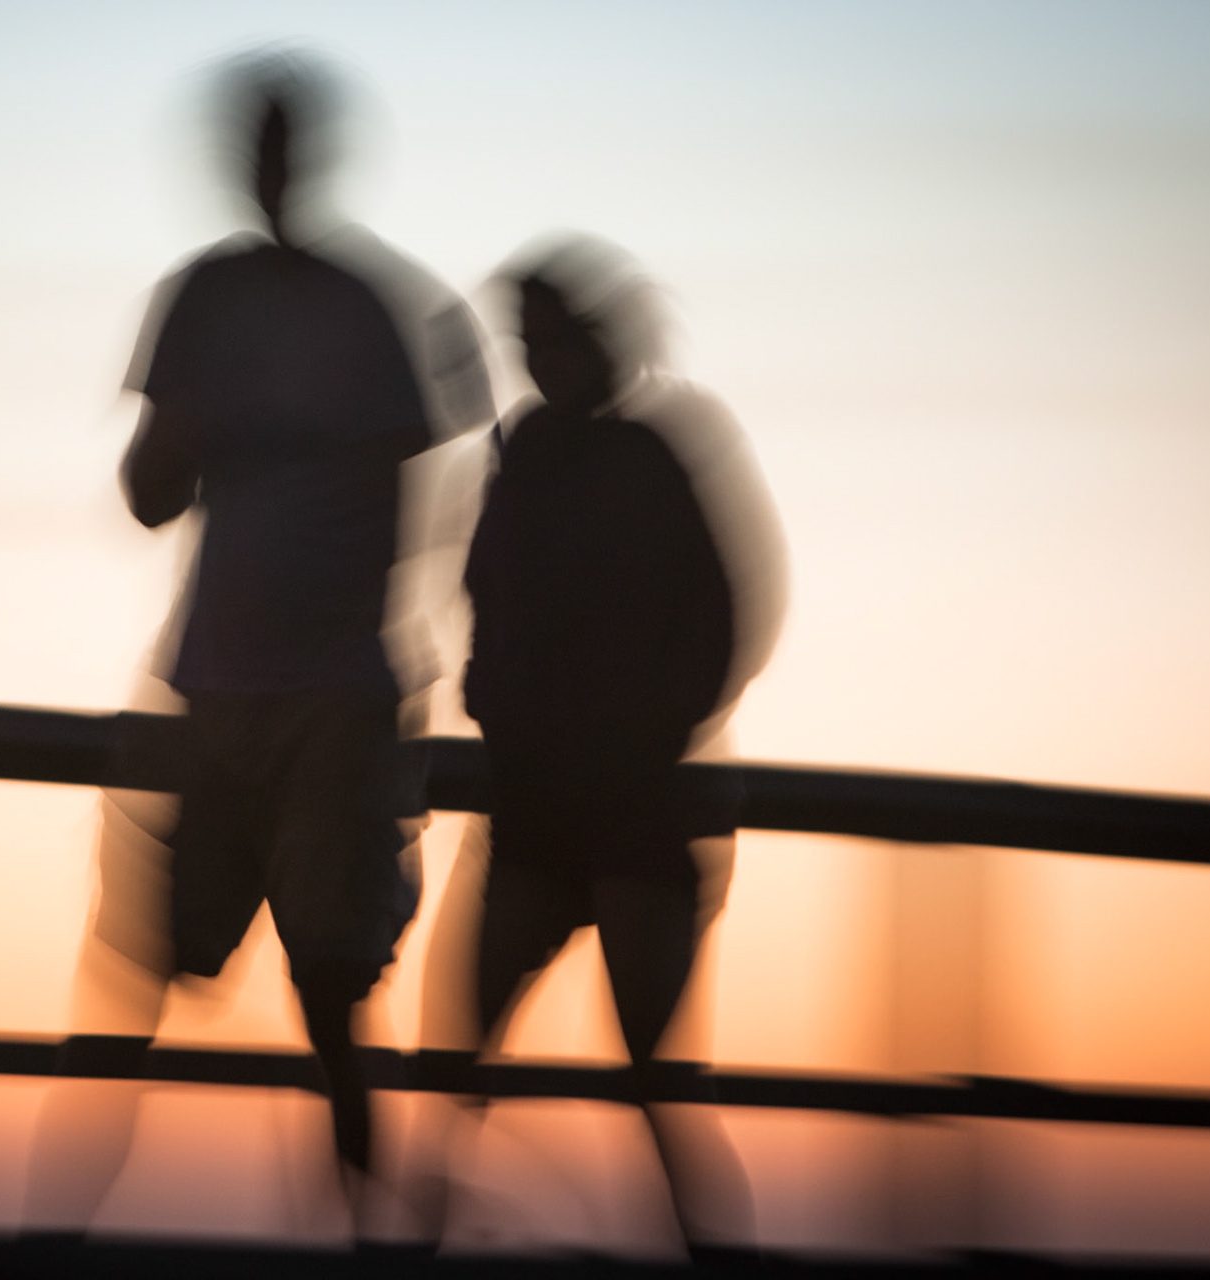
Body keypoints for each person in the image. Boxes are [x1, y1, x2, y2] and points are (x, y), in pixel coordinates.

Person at [74, 48, 490, 1216]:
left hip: (324, 693)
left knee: (319, 986)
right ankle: (59, 1225)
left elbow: (423, 522)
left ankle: (356, 1224)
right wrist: (189, 432)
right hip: (232, 684)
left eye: (275, 147)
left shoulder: (367, 305)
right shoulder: (215, 299)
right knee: (154, 958)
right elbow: (150, 495)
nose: (265, 171)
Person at [451, 234, 785, 1260]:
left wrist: (650, 730)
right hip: (541, 810)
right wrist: (492, 698)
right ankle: (416, 1241)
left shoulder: (659, 448)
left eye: (548, 337)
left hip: (635, 814)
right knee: (463, 1060)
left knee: (652, 1078)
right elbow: (481, 591)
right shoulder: (525, 451)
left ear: (596, 339)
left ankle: (705, 1250)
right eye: (524, 341)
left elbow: (734, 610)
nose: (535, 359)